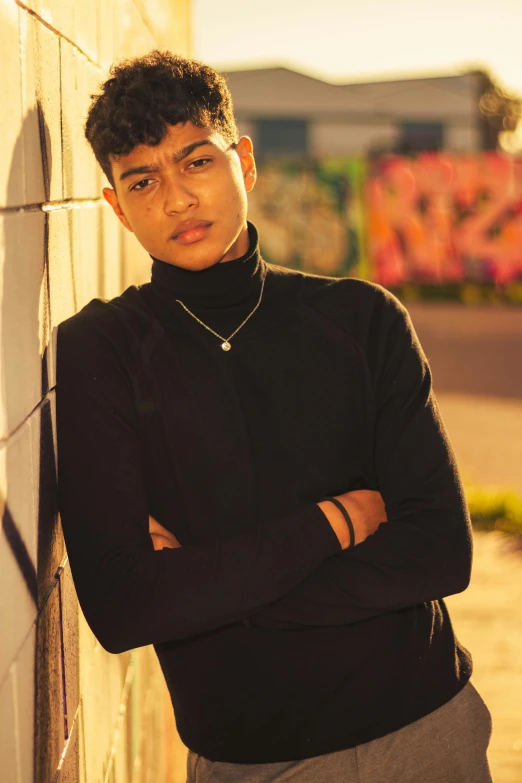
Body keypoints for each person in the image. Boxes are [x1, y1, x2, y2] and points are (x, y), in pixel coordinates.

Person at [55, 50, 493, 782]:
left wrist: (209, 592)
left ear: (244, 162)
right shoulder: (103, 350)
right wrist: (335, 523)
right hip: (255, 759)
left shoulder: (363, 320)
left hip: (426, 729)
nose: (176, 198)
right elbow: (124, 607)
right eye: (143, 180)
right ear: (117, 209)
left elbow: (440, 551)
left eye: (196, 161)